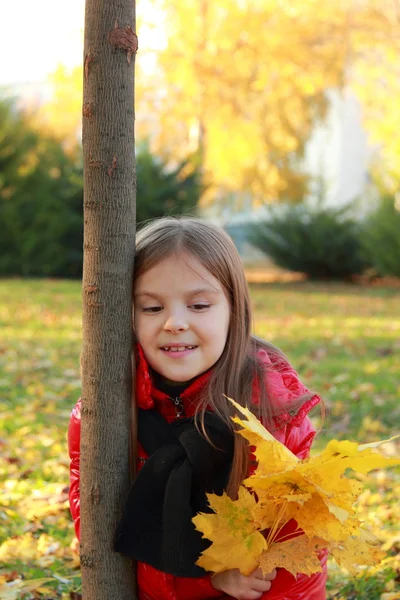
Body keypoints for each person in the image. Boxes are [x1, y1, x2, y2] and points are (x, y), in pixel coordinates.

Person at [68, 217, 328, 600]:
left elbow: (297, 550)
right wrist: (205, 578)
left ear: (233, 310)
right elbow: (95, 522)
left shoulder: (269, 411)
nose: (175, 322)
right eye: (152, 308)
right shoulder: (102, 412)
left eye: (199, 305)